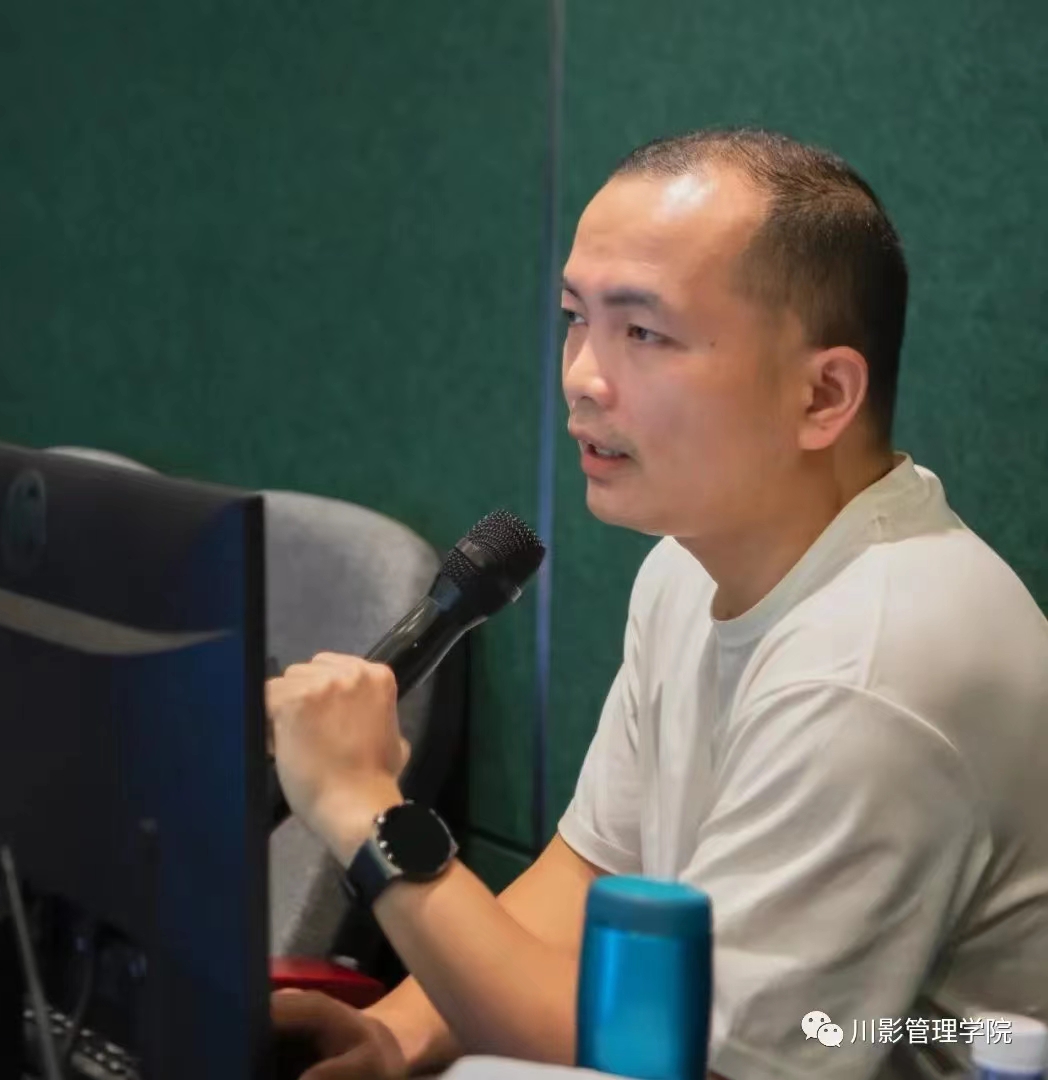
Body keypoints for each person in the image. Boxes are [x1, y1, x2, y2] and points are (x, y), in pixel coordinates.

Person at [266, 128, 1048, 1080]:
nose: (581, 377)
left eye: (643, 333)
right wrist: (395, 1035)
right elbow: (594, 871)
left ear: (822, 395)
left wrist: (366, 810)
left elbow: (676, 1062)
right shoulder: (693, 561)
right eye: (575, 318)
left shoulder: (873, 673)